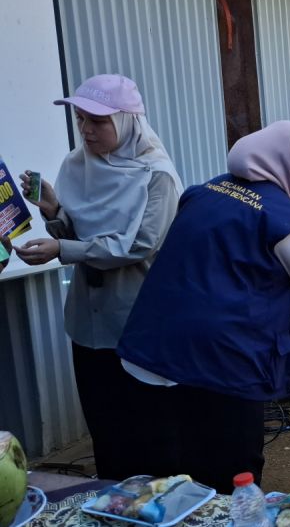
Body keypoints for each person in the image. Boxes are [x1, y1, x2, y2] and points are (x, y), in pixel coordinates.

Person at [115, 121, 290, 492]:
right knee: (231, 464)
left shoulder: (204, 191)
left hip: (155, 343)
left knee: (175, 460)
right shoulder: (285, 218)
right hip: (223, 357)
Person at [14, 74, 183, 480]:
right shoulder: (76, 164)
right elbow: (75, 235)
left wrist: (62, 248)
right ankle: (113, 500)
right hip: (87, 323)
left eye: (98, 121)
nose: (86, 130)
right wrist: (54, 211)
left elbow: (138, 246)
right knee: (105, 429)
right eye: (81, 120)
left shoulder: (156, 174)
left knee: (149, 429)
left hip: (136, 322)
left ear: (127, 121)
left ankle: (158, 503)